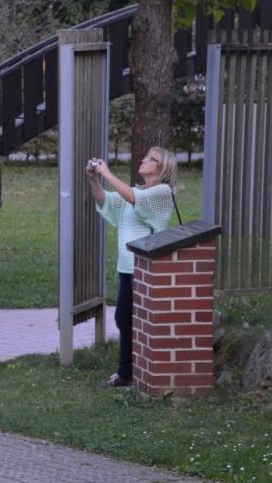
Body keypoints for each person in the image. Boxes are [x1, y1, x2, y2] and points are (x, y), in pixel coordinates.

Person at [87, 147, 176, 387]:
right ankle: (126, 373)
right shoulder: (135, 192)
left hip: (147, 269)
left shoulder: (162, 192)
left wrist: (106, 172)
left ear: (162, 167)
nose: (143, 160)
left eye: (150, 158)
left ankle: (146, 372)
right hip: (127, 268)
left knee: (144, 322)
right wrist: (94, 179)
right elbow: (105, 200)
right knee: (124, 319)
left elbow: (132, 198)